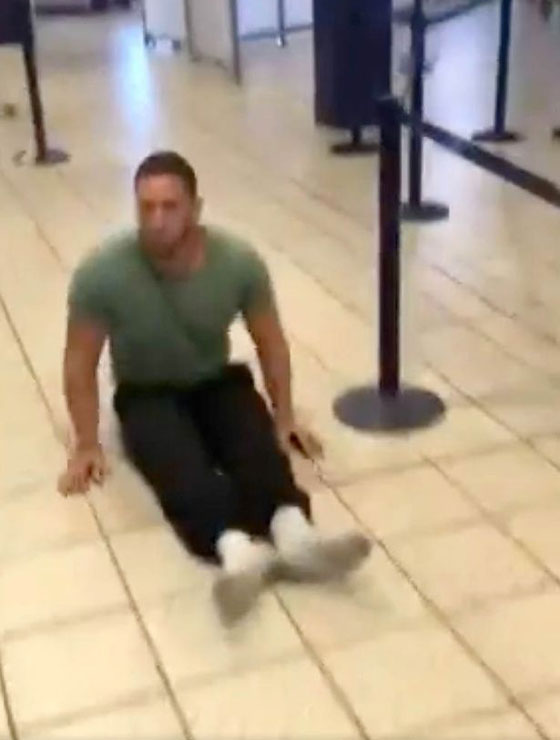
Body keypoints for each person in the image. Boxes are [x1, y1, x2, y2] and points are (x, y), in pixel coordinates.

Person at [58, 151, 371, 624]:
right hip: (146, 391)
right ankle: (237, 551)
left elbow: (270, 342)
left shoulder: (237, 261)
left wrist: (284, 415)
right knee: (180, 468)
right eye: (146, 207)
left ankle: (295, 535)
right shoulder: (101, 274)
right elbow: (79, 362)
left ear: (196, 208)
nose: (157, 220)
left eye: (170, 206)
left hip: (215, 380)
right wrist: (85, 443)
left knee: (254, 444)